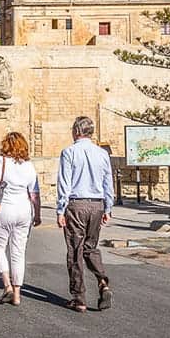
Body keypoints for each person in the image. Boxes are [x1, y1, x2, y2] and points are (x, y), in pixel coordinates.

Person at [56, 116, 114, 313]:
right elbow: (108, 182)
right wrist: (108, 208)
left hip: (76, 205)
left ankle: (78, 297)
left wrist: (60, 209)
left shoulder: (69, 152)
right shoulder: (102, 154)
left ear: (76, 131)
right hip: (97, 205)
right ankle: (102, 282)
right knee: (90, 247)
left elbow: (65, 183)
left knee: (75, 251)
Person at [0, 132, 41, 307]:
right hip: (24, 211)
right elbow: (34, 194)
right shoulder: (29, 166)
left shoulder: (1, 161)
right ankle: (17, 294)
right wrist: (38, 214)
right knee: (18, 252)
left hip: (3, 209)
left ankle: (7, 286)